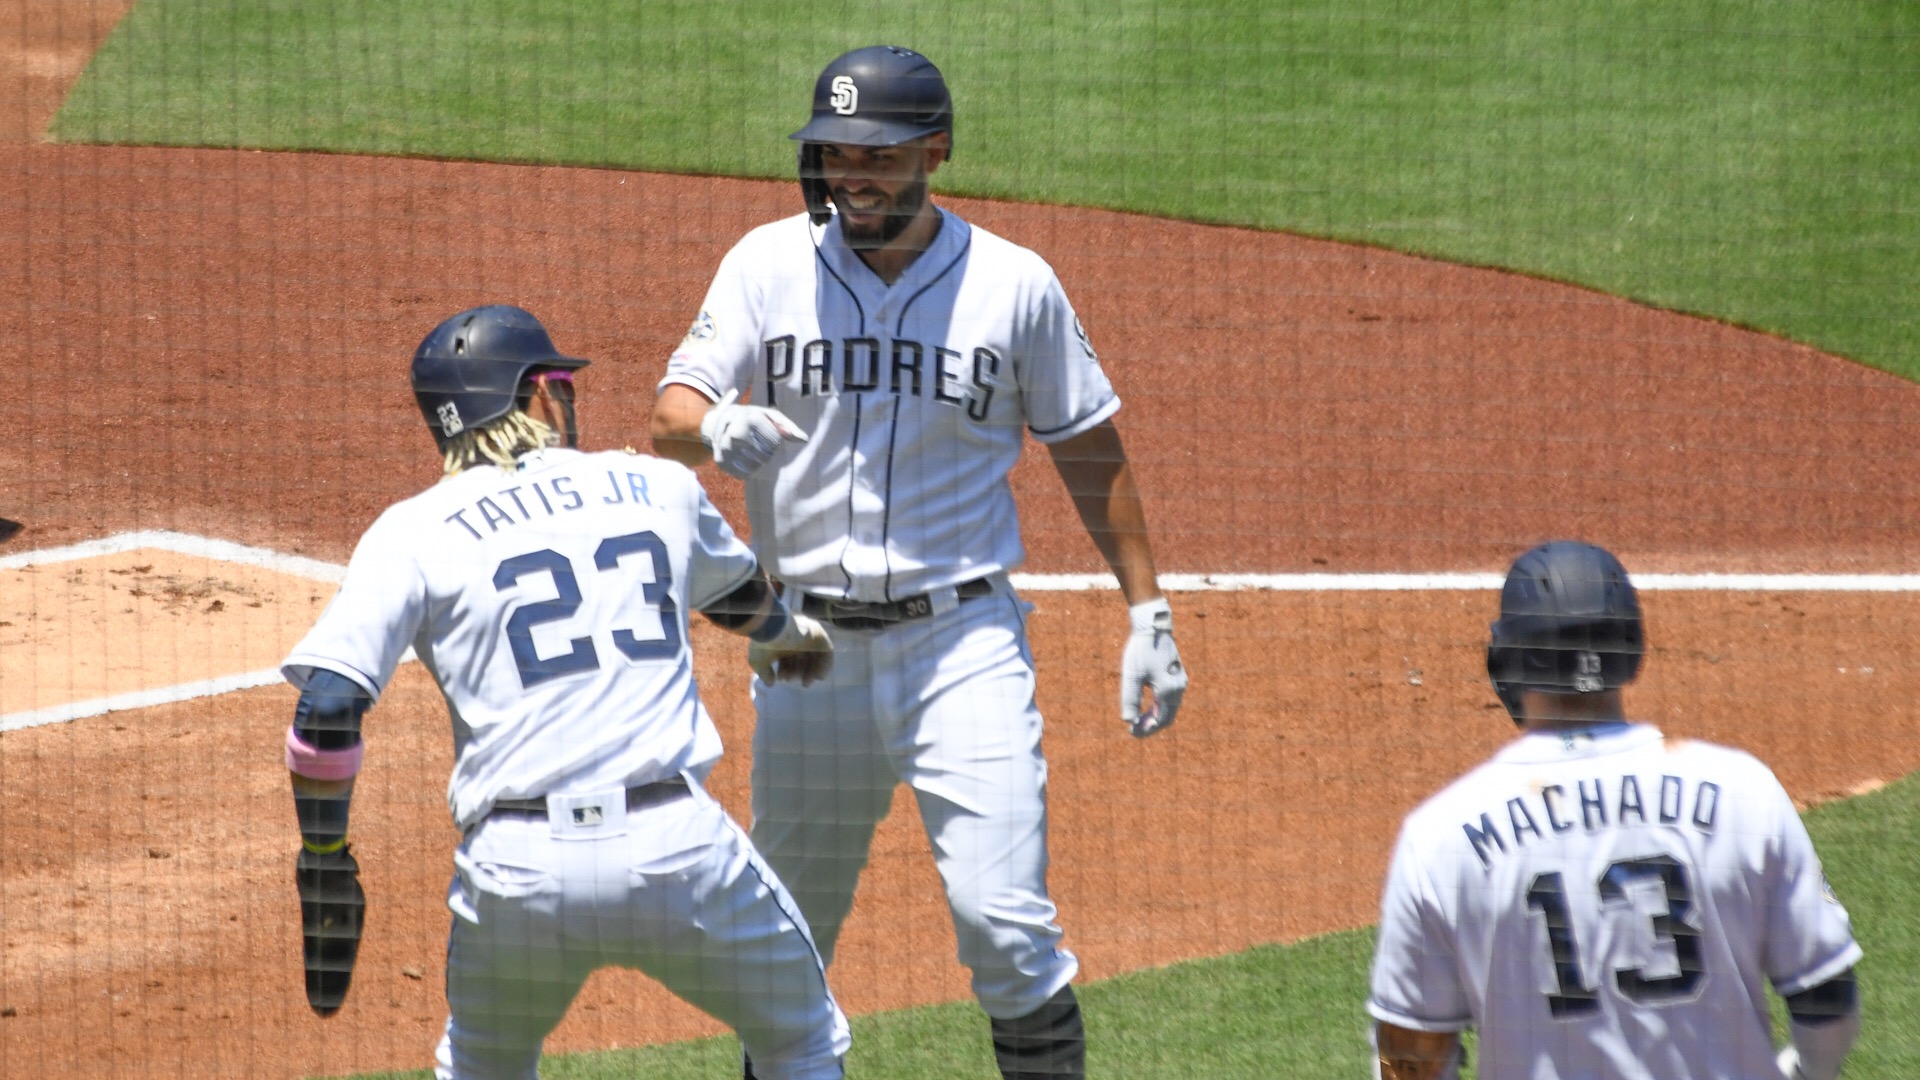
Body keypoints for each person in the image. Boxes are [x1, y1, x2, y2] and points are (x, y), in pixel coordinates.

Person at [649, 45, 1190, 1080]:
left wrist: (1149, 613)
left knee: (1006, 926)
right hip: (802, 650)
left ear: (934, 151)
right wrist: (716, 427)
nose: (851, 172)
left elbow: (1090, 449)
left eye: (878, 153)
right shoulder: (765, 265)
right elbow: (669, 413)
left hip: (963, 641)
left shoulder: (1014, 284)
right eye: (834, 151)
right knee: (784, 942)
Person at [281, 304, 851, 1080]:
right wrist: (789, 638)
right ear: (537, 396)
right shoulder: (657, 486)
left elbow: (326, 709)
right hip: (676, 852)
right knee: (801, 1040)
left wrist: (324, 860)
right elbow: (738, 596)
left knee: (481, 1067)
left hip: (516, 871)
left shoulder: (408, 532)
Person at [1366, 541, 1862, 1080]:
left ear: (1508, 659)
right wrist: (1806, 1070)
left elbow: (1410, 1055)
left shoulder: (1442, 836)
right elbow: (1826, 996)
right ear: (1631, 647)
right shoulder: (1743, 791)